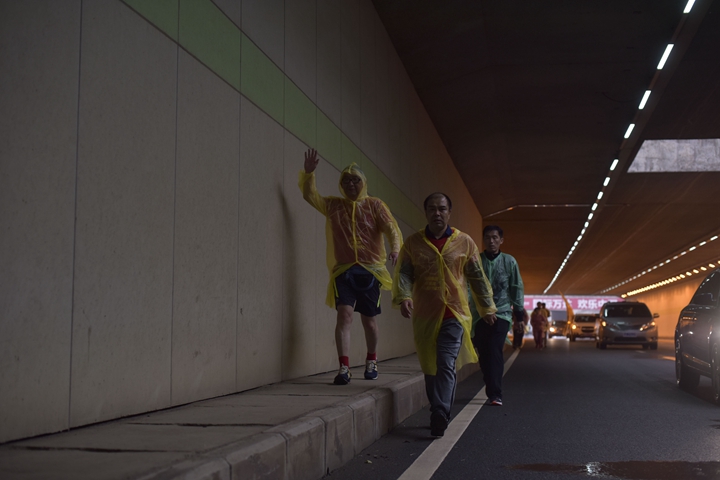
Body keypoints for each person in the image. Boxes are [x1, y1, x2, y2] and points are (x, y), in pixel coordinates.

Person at [393, 193, 497, 437]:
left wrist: (487, 308)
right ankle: (437, 407)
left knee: (445, 361)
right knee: (430, 365)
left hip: (454, 314)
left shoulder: (465, 243)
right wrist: (404, 296)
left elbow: (477, 277)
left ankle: (440, 412)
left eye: (442, 209)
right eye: (432, 209)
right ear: (426, 213)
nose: (437, 213)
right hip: (425, 315)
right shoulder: (414, 243)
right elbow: (405, 273)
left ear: (449, 213)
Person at [299, 148, 402, 385]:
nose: (351, 184)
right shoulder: (334, 206)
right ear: (341, 184)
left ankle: (371, 360)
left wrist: (395, 248)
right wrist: (309, 174)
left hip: (370, 271)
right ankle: (344, 367)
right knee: (344, 316)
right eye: (346, 180)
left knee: (369, 320)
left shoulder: (375, 205)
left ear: (363, 183)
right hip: (344, 271)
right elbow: (311, 196)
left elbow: (391, 228)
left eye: (355, 180)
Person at [470, 225, 526, 406]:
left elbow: (516, 288)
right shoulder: (475, 261)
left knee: (495, 349)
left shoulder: (509, 262)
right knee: (484, 353)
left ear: (501, 240)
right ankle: (490, 382)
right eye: (487, 238)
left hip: (502, 314)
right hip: (479, 315)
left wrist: (519, 317)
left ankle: (495, 394)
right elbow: (470, 288)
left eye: (495, 238)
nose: (491, 241)